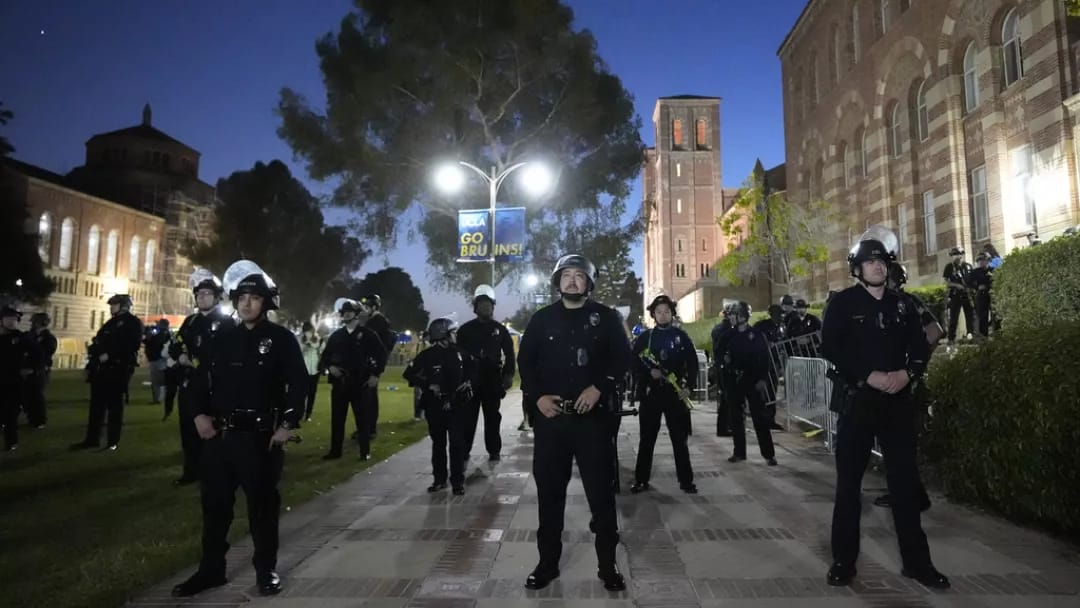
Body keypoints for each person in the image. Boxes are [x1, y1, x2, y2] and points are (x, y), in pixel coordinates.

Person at [821, 226, 949, 590]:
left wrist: (907, 375)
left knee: (905, 486)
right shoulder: (843, 304)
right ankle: (844, 562)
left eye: (881, 261)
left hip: (897, 405)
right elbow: (831, 348)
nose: (877, 266)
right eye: (869, 261)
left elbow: (921, 348)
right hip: (859, 403)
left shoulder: (903, 305)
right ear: (857, 268)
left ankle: (918, 564)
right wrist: (868, 375)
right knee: (849, 487)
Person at [172, 260, 308, 598]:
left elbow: (298, 384)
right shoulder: (221, 339)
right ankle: (211, 571)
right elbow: (199, 384)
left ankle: (266, 571)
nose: (247, 303)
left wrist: (288, 424)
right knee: (215, 508)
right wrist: (198, 416)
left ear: (266, 302)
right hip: (220, 438)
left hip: (260, 440)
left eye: (254, 297)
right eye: (242, 297)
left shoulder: (281, 340)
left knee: (261, 509)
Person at [517, 254, 631, 592]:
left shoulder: (606, 318)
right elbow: (526, 363)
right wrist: (537, 397)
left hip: (592, 422)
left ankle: (607, 565)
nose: (572, 281)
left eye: (579, 276)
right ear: (557, 281)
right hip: (552, 422)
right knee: (550, 496)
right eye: (566, 275)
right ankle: (547, 563)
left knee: (601, 495)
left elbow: (622, 358)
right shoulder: (541, 320)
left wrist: (600, 387)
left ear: (589, 282)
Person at [872, 263, 938, 512]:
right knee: (899, 443)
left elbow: (935, 331)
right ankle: (911, 494)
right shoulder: (904, 302)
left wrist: (913, 363)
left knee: (899, 442)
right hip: (900, 380)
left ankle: (908, 495)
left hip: (902, 383)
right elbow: (935, 330)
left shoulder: (902, 303)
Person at [169, 268, 235, 485]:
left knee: (210, 430)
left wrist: (198, 359)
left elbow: (225, 354)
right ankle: (191, 471)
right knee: (187, 429)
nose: (202, 297)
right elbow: (176, 344)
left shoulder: (225, 323)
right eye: (199, 294)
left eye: (206, 294)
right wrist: (180, 356)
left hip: (211, 384)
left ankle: (212, 472)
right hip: (188, 383)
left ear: (216, 297)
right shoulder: (190, 321)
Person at [630, 295, 699, 494]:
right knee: (647, 439)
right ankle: (641, 480)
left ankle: (686, 481)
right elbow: (633, 362)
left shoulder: (681, 336)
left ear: (672, 313)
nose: (663, 315)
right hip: (651, 394)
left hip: (675, 395)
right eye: (659, 312)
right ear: (653, 314)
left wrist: (690, 387)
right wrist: (648, 372)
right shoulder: (645, 337)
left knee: (679, 440)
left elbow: (692, 363)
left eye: (666, 311)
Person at [403, 317, 475, 495]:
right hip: (434, 405)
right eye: (452, 333)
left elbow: (474, 369)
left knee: (457, 444)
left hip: (456, 404)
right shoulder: (427, 356)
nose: (455, 336)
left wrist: (468, 381)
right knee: (439, 443)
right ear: (443, 334)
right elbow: (409, 374)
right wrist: (428, 384)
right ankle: (439, 479)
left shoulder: (460, 353)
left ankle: (457, 482)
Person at [72, 294, 143, 451]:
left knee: (114, 407)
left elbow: (132, 345)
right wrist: (92, 362)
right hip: (101, 369)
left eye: (114, 305)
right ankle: (92, 439)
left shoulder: (133, 323)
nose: (111, 307)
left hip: (118, 369)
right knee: (96, 406)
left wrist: (110, 354)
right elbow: (99, 342)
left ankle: (112, 441)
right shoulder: (111, 323)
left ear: (123, 305)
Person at [319, 299, 387, 460]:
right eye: (344, 312)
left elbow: (381, 355)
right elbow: (325, 357)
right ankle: (335, 451)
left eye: (349, 311)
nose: (346, 314)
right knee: (337, 419)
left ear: (357, 314)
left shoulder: (368, 335)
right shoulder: (337, 336)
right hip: (340, 383)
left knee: (362, 420)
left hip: (360, 382)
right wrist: (330, 367)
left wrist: (375, 375)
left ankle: (365, 452)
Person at [457, 284, 515, 462]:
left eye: (489, 306)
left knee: (492, 418)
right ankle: (464, 451)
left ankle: (494, 451)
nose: (486, 308)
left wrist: (508, 375)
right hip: (470, 380)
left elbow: (510, 353)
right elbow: (456, 354)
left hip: (492, 380)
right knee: (467, 418)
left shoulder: (500, 330)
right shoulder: (465, 330)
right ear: (476, 308)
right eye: (482, 305)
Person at [719, 302, 777, 466]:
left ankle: (769, 454)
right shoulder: (728, 336)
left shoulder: (756, 335)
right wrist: (725, 365)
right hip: (734, 381)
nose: (731, 317)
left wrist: (762, 379)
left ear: (742, 316)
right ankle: (739, 453)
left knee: (760, 417)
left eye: (734, 314)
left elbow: (765, 359)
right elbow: (720, 356)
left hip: (752, 380)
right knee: (736, 418)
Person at [1, 306, 40, 450]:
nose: (12, 321)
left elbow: (38, 353)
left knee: (11, 413)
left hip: (13, 382)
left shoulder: (21, 337)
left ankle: (11, 442)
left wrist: (32, 369)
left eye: (14, 318)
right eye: (8, 318)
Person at [358, 294, 395, 440]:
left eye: (367, 307)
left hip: (372, 365)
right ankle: (366, 427)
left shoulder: (377, 322)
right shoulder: (376, 321)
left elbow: (378, 347)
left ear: (374, 307)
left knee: (369, 398)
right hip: (370, 364)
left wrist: (377, 370)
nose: (365, 309)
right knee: (366, 397)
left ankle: (369, 429)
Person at [25, 312, 56, 429]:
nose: (33, 324)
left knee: (37, 395)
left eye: (35, 322)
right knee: (28, 395)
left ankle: (40, 420)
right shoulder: (30, 335)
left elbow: (46, 354)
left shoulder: (49, 338)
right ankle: (31, 418)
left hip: (40, 370)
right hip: (28, 369)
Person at [710, 304, 736, 437]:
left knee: (725, 398)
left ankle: (725, 427)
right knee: (727, 399)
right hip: (725, 367)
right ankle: (725, 427)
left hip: (720, 366)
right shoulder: (727, 330)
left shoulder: (718, 328)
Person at [942, 246, 974, 343]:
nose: (957, 256)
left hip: (967, 294)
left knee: (970, 316)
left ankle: (970, 335)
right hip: (955, 295)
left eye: (959, 254)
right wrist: (956, 285)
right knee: (954, 318)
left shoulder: (967, 266)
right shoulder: (949, 267)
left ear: (962, 255)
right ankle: (951, 338)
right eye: (954, 255)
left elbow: (971, 280)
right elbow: (946, 282)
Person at [298, 321, 323, 421]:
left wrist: (312, 344)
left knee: (312, 392)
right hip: (304, 369)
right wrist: (305, 346)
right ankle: (300, 412)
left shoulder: (317, 339)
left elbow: (320, 350)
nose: (308, 333)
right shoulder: (300, 340)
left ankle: (308, 414)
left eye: (309, 331)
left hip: (315, 369)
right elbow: (299, 352)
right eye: (306, 331)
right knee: (302, 392)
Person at [144, 318, 172, 405]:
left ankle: (157, 399)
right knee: (161, 380)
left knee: (156, 380)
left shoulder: (160, 333)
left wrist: (148, 337)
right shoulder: (167, 333)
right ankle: (160, 397)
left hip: (157, 359)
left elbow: (151, 342)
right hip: (161, 358)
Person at [968, 253, 993, 338]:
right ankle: (984, 336)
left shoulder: (992, 270)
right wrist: (977, 287)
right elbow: (968, 283)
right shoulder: (975, 272)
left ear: (988, 261)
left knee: (995, 315)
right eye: (979, 261)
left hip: (992, 293)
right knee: (983, 316)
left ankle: (997, 333)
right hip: (981, 294)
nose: (981, 262)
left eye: (983, 260)